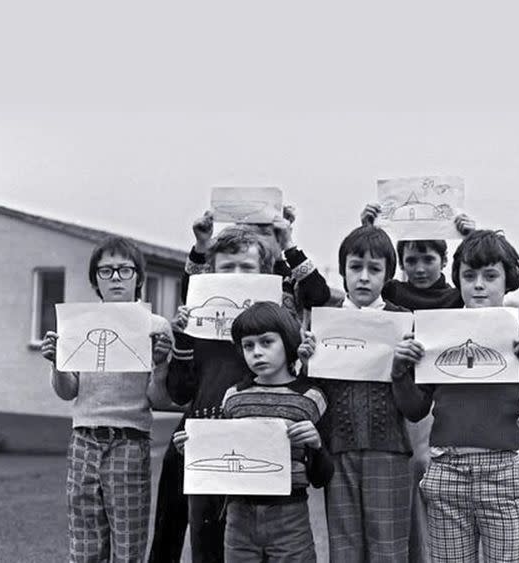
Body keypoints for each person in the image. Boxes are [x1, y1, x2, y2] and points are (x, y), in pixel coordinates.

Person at [155, 214, 333, 563]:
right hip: (205, 438)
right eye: (228, 267)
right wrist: (182, 339)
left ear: (267, 275)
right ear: (212, 274)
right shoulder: (199, 322)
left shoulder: (269, 327)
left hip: (263, 449)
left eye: (246, 267)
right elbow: (178, 392)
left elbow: (317, 294)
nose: (237, 276)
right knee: (200, 545)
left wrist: (289, 244)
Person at [391, 229, 519, 562]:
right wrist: (399, 372)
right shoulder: (436, 334)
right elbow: (415, 409)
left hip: (502, 471)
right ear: (458, 280)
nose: (479, 284)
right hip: (446, 471)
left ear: (508, 281)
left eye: (490, 276)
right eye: (469, 275)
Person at [40, 236, 173, 563]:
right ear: (95, 279)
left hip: (129, 440)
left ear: (139, 277)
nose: (115, 277)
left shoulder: (155, 327)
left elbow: (157, 398)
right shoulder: (78, 324)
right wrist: (57, 363)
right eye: (106, 271)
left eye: (124, 270)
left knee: (128, 547)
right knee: (84, 545)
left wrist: (161, 365)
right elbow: (68, 391)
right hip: (83, 439)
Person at [175, 301, 334, 562]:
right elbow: (220, 466)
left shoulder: (311, 397)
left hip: (290, 517)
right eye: (248, 345)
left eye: (266, 342)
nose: (257, 352)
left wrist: (316, 445)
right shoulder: (233, 398)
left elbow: (322, 476)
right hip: (238, 519)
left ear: (288, 342)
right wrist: (192, 451)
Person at [360, 202, 474, 562]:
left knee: (430, 479)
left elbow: (488, 295)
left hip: (437, 404)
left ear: (444, 260)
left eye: (428, 259)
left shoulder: (457, 298)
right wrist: (367, 229)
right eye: (411, 260)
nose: (420, 268)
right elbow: (359, 295)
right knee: (403, 485)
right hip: (394, 395)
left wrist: (471, 239)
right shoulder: (391, 293)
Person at [300, 225, 417, 562]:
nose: (364, 277)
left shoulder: (403, 323)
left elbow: (414, 405)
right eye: (355, 267)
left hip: (389, 449)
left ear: (388, 275)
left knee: (389, 549)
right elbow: (313, 393)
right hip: (338, 449)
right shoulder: (324, 323)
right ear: (342, 271)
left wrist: (403, 368)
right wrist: (305, 363)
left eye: (374, 269)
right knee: (345, 549)